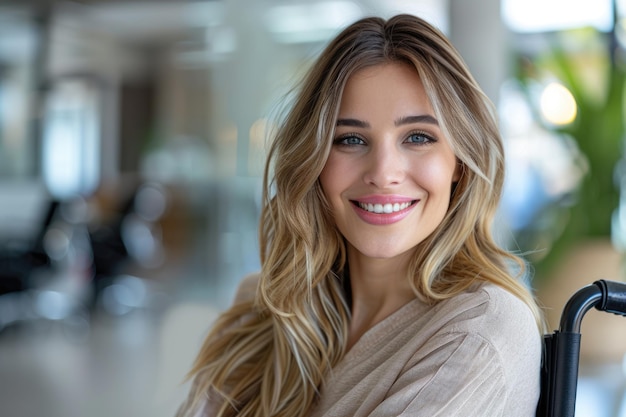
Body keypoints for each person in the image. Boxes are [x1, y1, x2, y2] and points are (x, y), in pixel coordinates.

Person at [176, 13, 544, 417]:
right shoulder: (261, 309)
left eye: (418, 137)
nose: (383, 173)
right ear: (313, 162)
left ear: (459, 162)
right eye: (350, 139)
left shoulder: (479, 330)